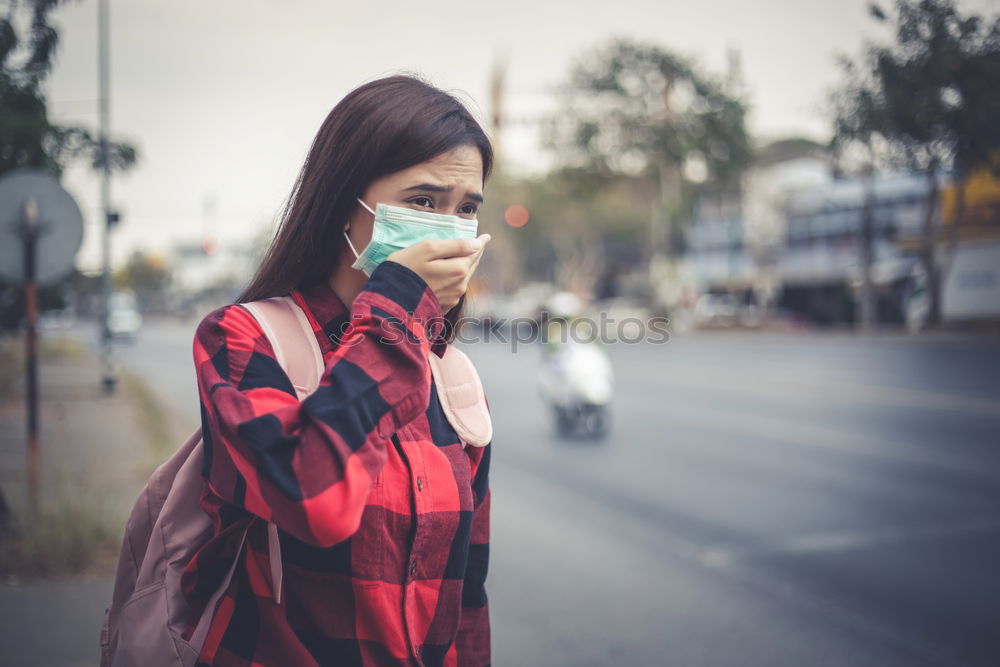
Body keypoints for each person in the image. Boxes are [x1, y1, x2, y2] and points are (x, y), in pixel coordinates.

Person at [184, 75, 493, 667]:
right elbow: (312, 499)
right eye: (423, 202)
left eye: (467, 209)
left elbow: (468, 600)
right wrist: (396, 308)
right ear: (343, 203)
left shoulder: (452, 379)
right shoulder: (241, 338)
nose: (447, 229)